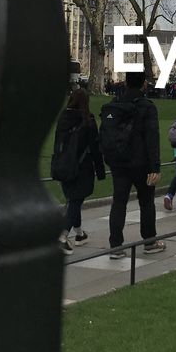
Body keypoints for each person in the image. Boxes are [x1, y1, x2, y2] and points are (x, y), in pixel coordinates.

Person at [100, 71, 167, 259]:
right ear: (144, 84)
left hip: (119, 162)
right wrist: (155, 167)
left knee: (119, 202)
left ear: (126, 83)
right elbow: (152, 138)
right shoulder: (147, 107)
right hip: (141, 163)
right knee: (146, 203)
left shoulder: (114, 105)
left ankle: (116, 245)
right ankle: (149, 241)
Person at [51, 87, 105, 252]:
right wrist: (100, 170)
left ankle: (80, 234)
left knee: (74, 199)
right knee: (76, 201)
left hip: (63, 164)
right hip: (82, 167)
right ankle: (62, 236)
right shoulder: (88, 121)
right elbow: (95, 148)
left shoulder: (62, 118)